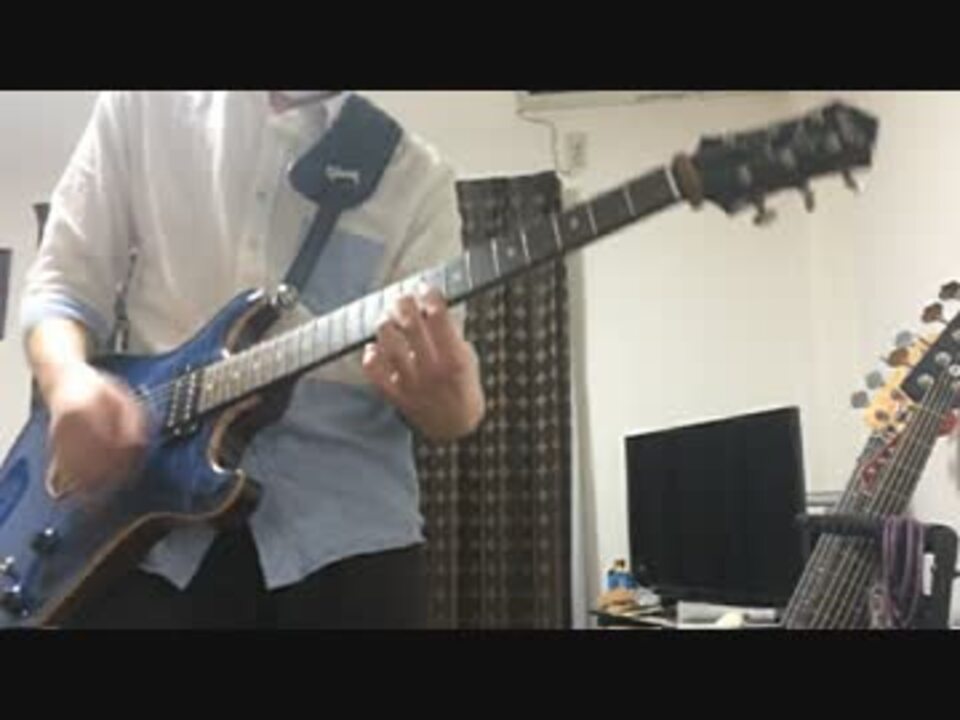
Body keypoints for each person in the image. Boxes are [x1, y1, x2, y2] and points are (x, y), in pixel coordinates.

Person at [20, 90, 486, 629]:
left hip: (347, 547)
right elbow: (62, 284)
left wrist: (454, 409)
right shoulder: (141, 105)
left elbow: (446, 408)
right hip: (142, 531)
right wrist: (68, 381)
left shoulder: (418, 178)